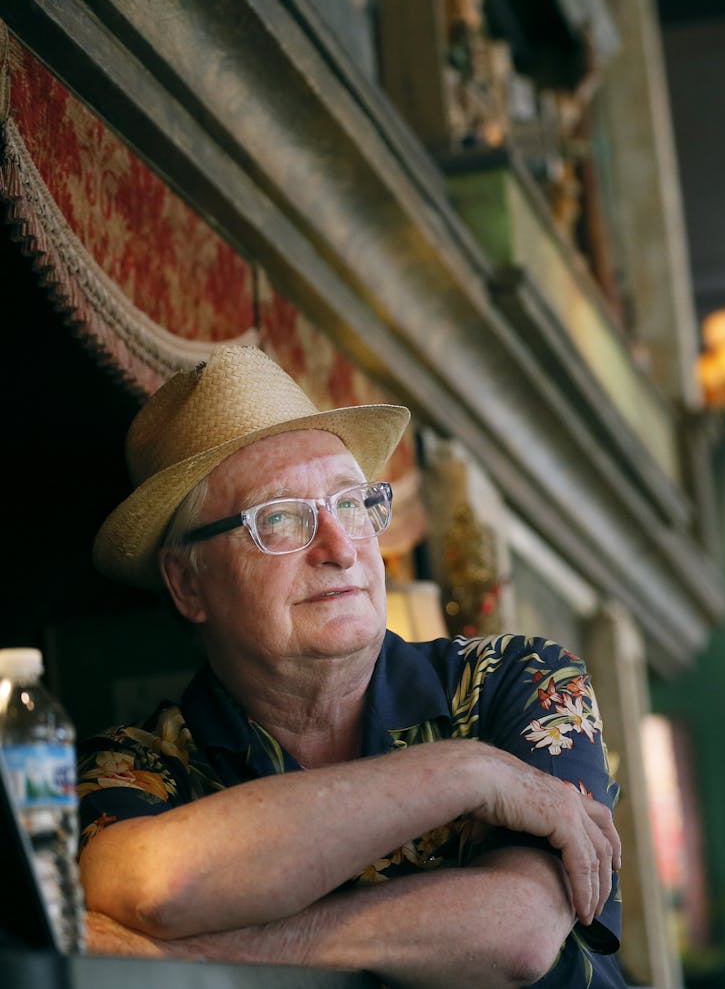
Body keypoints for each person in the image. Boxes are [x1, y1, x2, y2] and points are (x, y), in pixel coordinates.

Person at [76, 346, 627, 989]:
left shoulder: (519, 678)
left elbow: (519, 931)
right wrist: (463, 771)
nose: (340, 548)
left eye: (349, 504)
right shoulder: (137, 765)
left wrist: (195, 954)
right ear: (187, 584)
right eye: (279, 519)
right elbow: (149, 884)